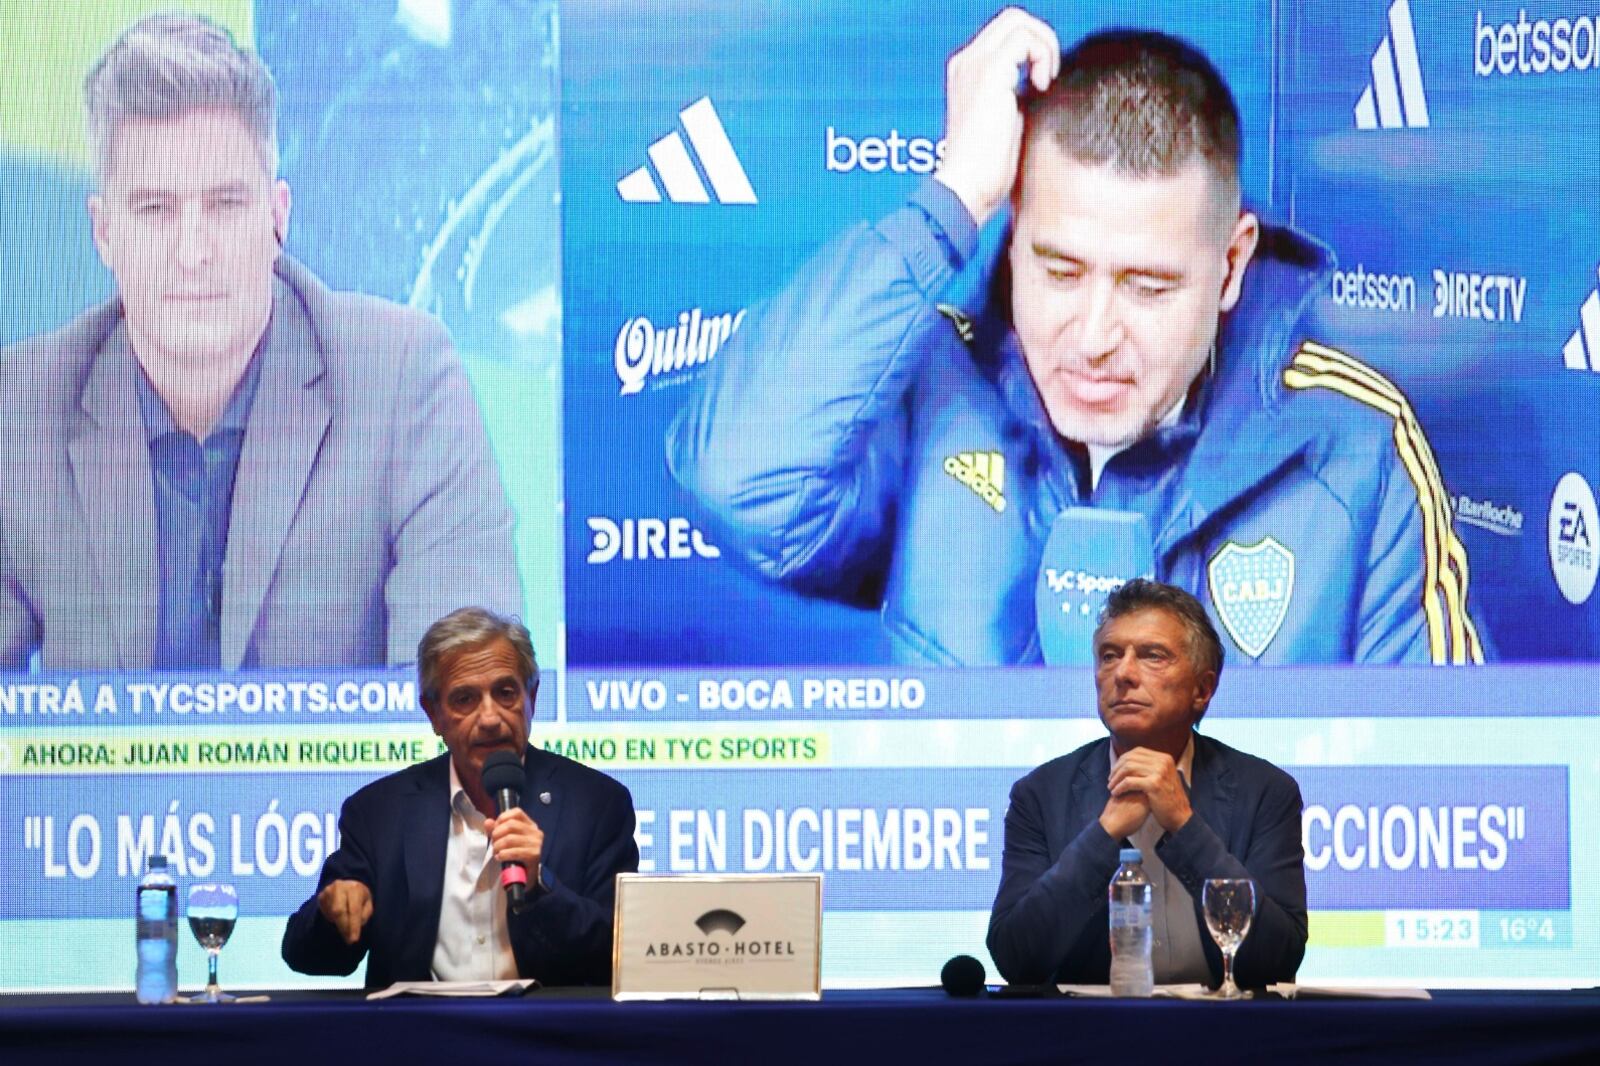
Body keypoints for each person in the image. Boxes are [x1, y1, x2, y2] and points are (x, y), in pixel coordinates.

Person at [667, 7, 1485, 666]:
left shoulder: (1353, 446)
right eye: (1059, 273)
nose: (1093, 337)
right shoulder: (936, 389)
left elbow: (1443, 801)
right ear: (1014, 235)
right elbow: (739, 483)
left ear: (1232, 265)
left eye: (1148, 286)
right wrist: (950, 201)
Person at [0, 13, 521, 671]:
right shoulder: (20, 409)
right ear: (104, 232)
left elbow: (469, 706)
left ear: (278, 217)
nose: (193, 253)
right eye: (155, 210)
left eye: (225, 205)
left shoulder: (404, 383)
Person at [282, 607, 638, 987]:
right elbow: (309, 957)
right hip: (423, 1038)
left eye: (505, 693)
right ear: (433, 713)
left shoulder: (597, 804)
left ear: (531, 697)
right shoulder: (380, 812)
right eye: (465, 699)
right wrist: (334, 915)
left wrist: (540, 887)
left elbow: (618, 954)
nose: (489, 717)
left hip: (544, 1037)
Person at [987, 579, 1305, 987]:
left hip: (1224, 1038)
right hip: (1090, 1039)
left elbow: (1276, 959)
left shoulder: (1264, 792)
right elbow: (1016, 958)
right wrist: (1105, 834)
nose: (1123, 673)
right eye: (1109, 656)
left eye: (1152, 656)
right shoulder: (1041, 794)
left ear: (1203, 689)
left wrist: (1185, 826)